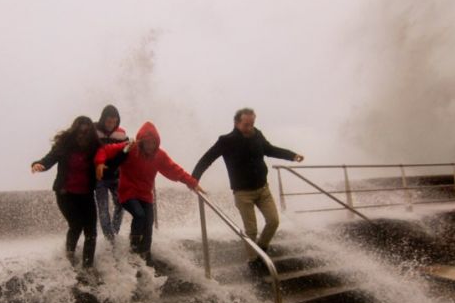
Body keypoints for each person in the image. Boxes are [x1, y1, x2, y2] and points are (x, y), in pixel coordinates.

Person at [191, 108, 304, 273]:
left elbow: (270, 150)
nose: (250, 127)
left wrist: (292, 156)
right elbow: (207, 158)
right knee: (251, 230)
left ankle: (262, 249)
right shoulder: (226, 141)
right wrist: (193, 180)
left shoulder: (257, 134)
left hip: (263, 190)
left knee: (273, 221)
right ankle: (253, 261)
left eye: (252, 124)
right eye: (246, 124)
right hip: (243, 194)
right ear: (237, 123)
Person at [95, 121, 203, 265]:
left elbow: (174, 170)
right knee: (139, 215)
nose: (150, 146)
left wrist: (192, 182)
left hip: (145, 195)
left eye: (153, 143)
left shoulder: (159, 155)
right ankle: (133, 249)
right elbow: (105, 150)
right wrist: (100, 162)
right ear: (141, 141)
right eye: (147, 143)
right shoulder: (131, 148)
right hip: (128, 192)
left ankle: (145, 255)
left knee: (148, 224)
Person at [32, 116, 100, 270]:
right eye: (80, 132)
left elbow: (108, 156)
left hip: (86, 194)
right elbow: (50, 158)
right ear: (75, 131)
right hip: (66, 194)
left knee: (91, 231)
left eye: (86, 132)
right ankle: (69, 259)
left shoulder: (94, 147)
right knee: (76, 225)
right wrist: (39, 164)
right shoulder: (65, 145)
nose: (83, 135)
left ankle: (87, 267)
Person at [94, 105, 128, 242]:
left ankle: (114, 231)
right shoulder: (94, 132)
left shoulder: (121, 134)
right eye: (108, 122)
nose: (111, 125)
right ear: (103, 120)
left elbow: (127, 154)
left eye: (114, 122)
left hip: (116, 176)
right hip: (100, 177)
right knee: (103, 209)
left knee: (121, 204)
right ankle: (110, 238)